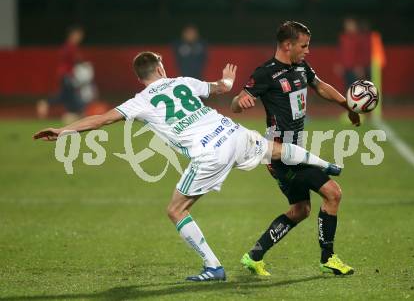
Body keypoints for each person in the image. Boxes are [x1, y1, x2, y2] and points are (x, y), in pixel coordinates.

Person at [33, 51, 342, 282]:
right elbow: (219, 88)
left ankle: (213, 267)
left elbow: (101, 119)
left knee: (176, 210)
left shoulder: (140, 100)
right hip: (231, 132)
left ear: (140, 77)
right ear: (160, 68)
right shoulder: (182, 81)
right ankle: (327, 164)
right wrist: (229, 82)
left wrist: (64, 131)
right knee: (272, 149)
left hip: (209, 151)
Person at [231, 21, 360, 276]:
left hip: (295, 150)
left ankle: (254, 255)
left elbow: (320, 86)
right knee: (333, 193)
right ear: (287, 45)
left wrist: (347, 105)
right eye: (304, 45)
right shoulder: (266, 73)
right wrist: (239, 100)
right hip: (280, 155)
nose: (307, 51)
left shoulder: (300, 66)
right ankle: (328, 258)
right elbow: (237, 102)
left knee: (301, 210)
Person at [36, 25, 86, 122]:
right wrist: (82, 63)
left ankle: (46, 103)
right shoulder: (70, 47)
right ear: (73, 35)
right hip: (67, 75)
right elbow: (75, 59)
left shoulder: (68, 46)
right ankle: (76, 113)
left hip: (65, 75)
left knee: (64, 96)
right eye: (79, 35)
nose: (80, 38)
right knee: (72, 96)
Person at [335, 17, 371, 90]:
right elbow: (340, 52)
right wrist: (339, 64)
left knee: (358, 88)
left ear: (355, 25)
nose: (349, 27)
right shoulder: (343, 37)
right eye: (347, 25)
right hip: (345, 68)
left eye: (351, 25)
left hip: (356, 68)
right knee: (348, 88)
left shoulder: (360, 37)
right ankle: (349, 101)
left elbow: (362, 53)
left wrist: (360, 66)